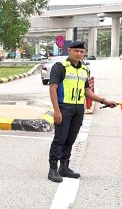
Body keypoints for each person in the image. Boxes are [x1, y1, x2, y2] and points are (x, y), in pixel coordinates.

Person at [47, 39, 117, 183]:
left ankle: (64, 167)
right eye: (76, 51)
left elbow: (87, 92)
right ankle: (53, 169)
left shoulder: (85, 69)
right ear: (69, 51)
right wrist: (57, 110)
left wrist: (104, 101)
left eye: (82, 51)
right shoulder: (60, 67)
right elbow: (52, 88)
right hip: (64, 107)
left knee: (70, 139)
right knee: (60, 139)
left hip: (79, 109)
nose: (79, 54)